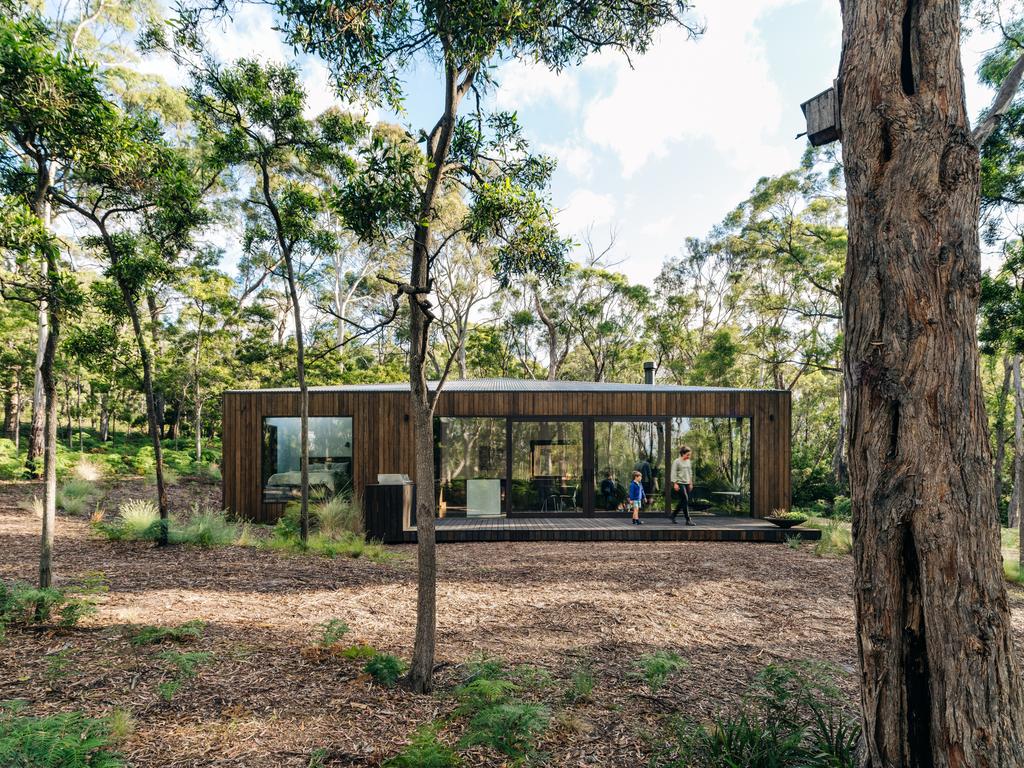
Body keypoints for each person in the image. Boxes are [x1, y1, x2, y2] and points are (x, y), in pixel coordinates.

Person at [671, 445, 695, 526]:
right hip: (679, 483)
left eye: (689, 455)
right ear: (682, 454)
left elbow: (690, 472)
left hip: (687, 483)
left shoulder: (688, 461)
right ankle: (688, 520)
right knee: (685, 498)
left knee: (683, 501)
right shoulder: (677, 461)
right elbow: (673, 472)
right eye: (687, 454)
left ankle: (673, 515)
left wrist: (691, 482)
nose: (689, 456)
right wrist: (675, 483)